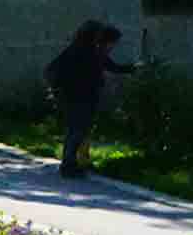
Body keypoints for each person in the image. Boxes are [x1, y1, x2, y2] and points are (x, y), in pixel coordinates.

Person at [44, 20, 133, 178]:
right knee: (77, 130)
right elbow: (52, 71)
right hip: (77, 97)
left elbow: (112, 67)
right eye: (98, 34)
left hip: (82, 97)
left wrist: (132, 68)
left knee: (78, 130)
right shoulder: (81, 51)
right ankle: (69, 165)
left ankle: (72, 163)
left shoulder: (89, 51)